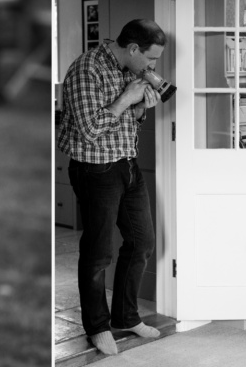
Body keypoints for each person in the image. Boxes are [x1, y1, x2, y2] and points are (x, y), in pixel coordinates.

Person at [57, 19, 165, 355]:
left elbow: (122, 123)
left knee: (142, 242)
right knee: (98, 252)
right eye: (151, 59)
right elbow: (89, 129)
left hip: (127, 165)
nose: (152, 67)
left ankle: (126, 316)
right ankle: (97, 327)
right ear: (133, 48)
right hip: (95, 170)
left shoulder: (127, 69)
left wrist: (139, 109)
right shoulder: (85, 69)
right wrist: (125, 98)